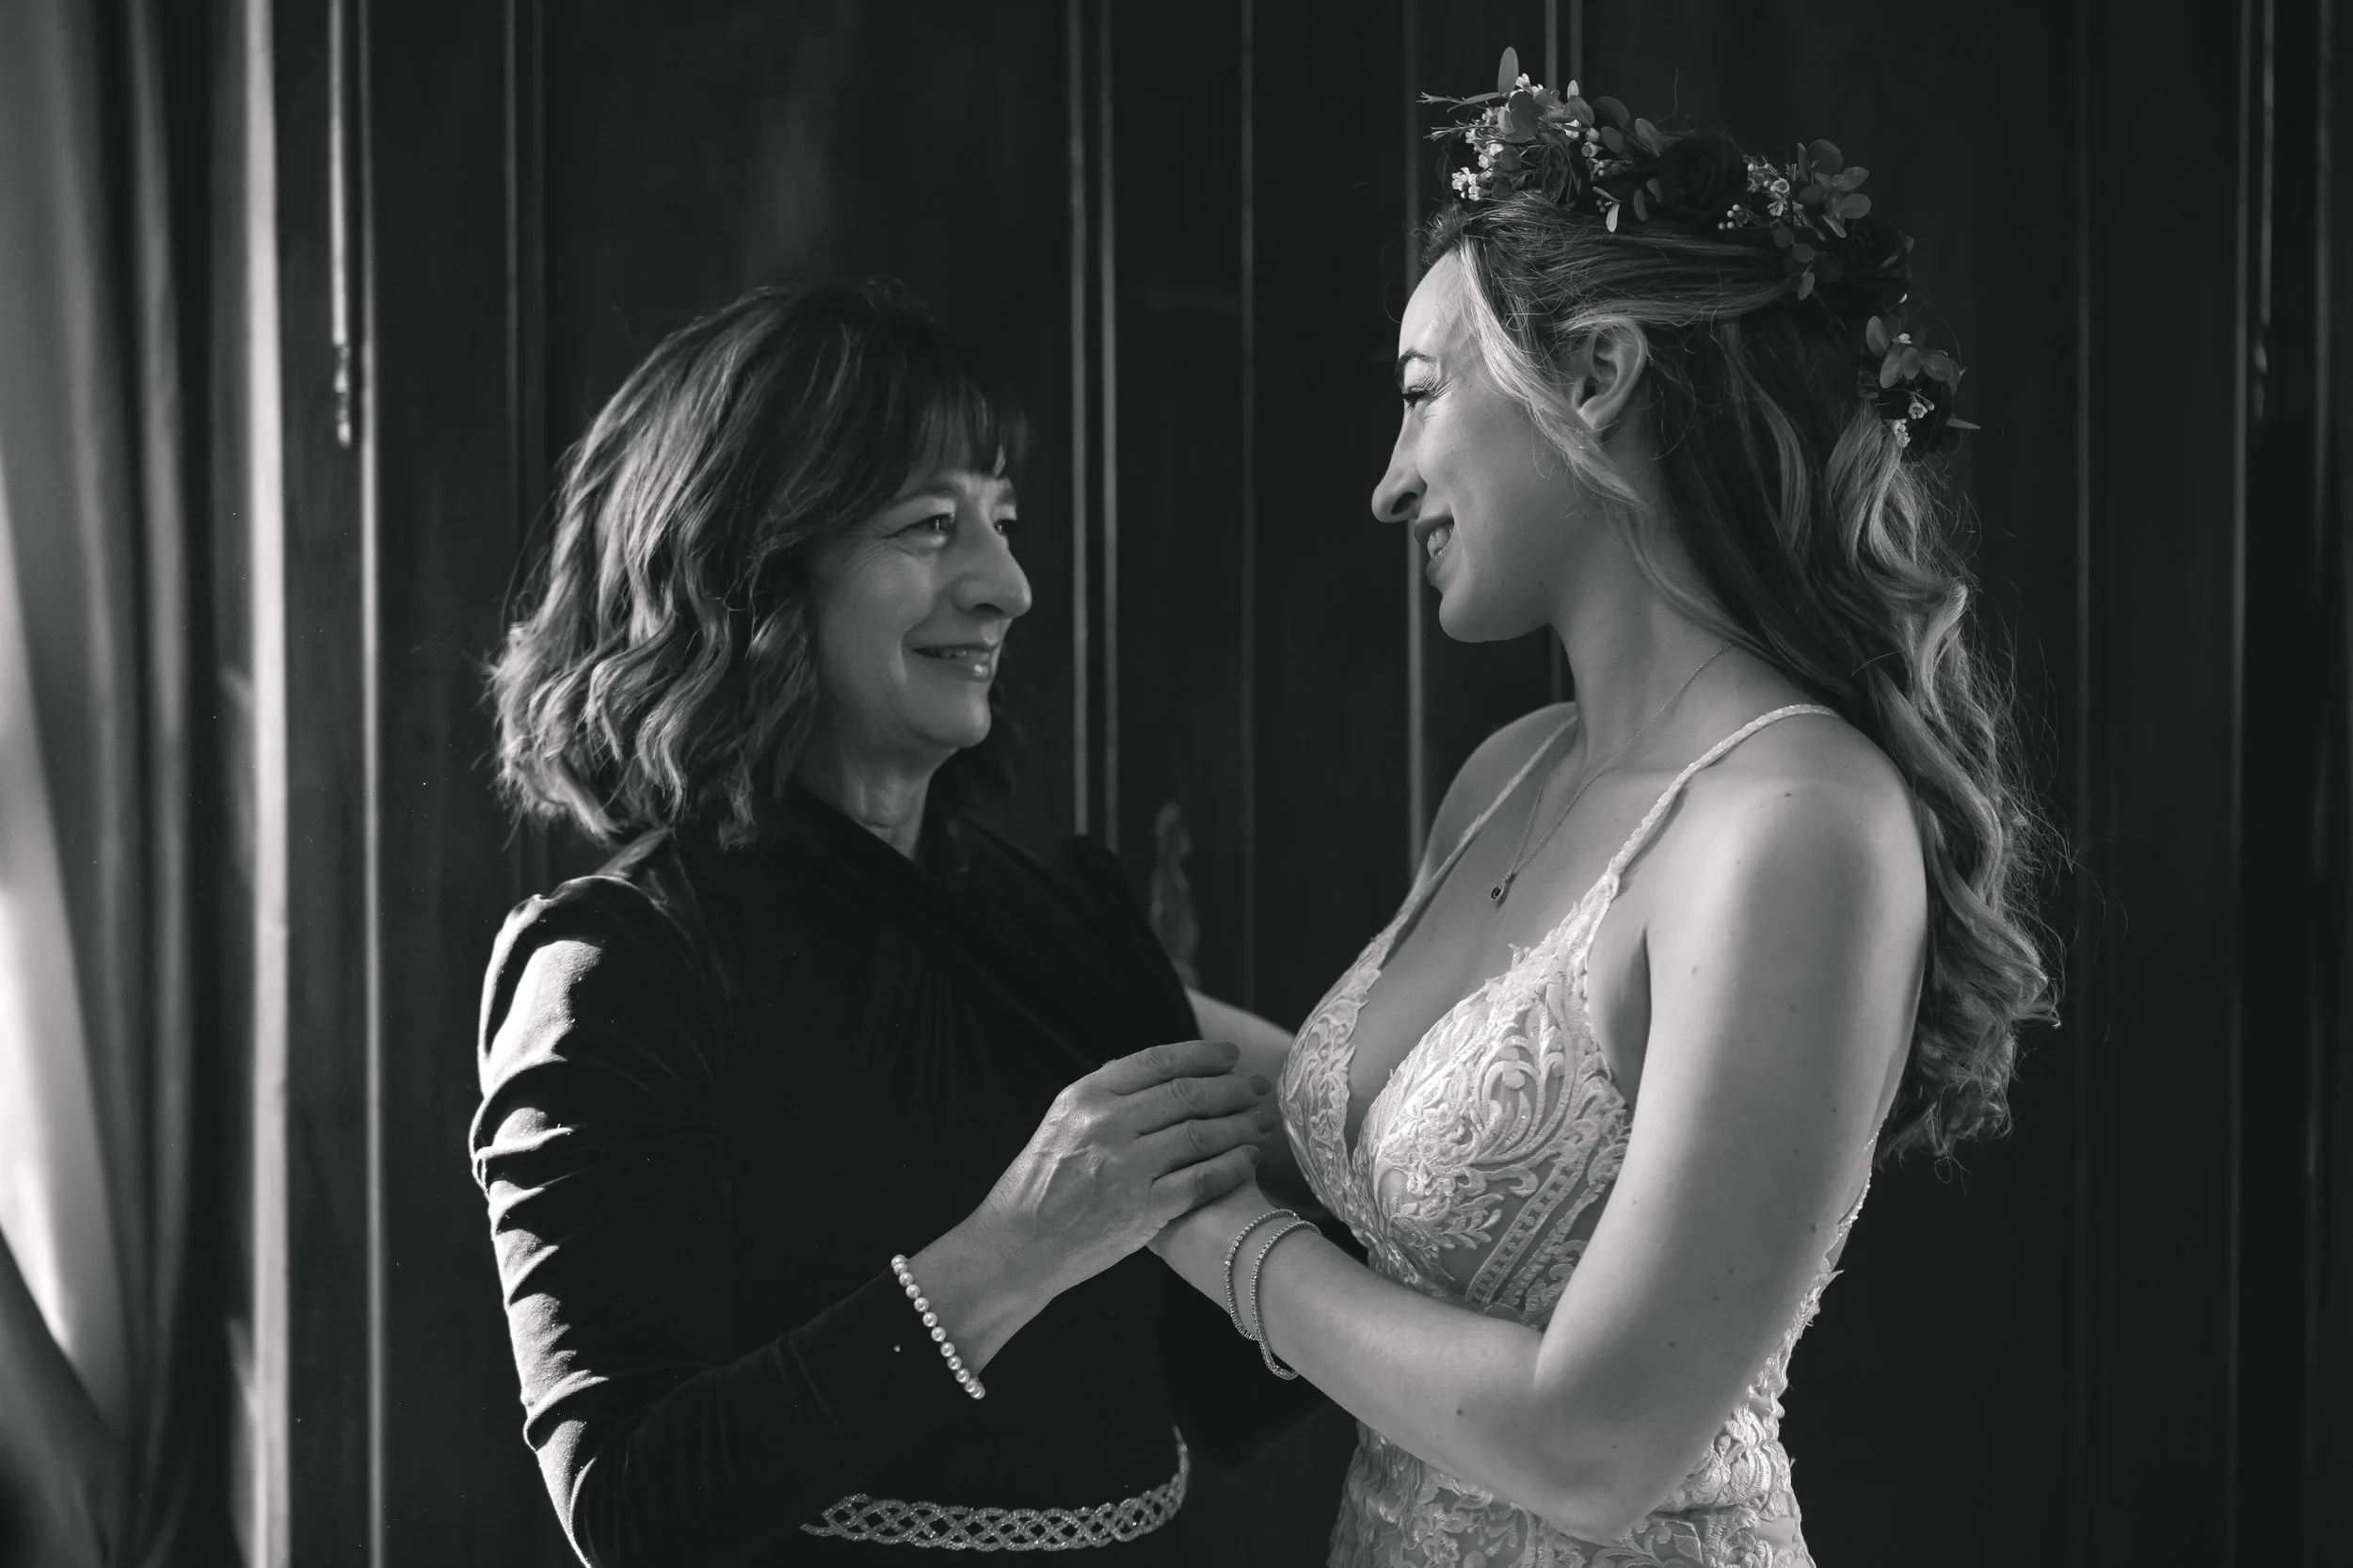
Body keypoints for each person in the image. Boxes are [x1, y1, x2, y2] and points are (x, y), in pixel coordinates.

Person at [1149, 60, 2055, 1567]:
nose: (1388, 486)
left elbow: (1593, 1442)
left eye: (1420, 398)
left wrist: (1204, 1232)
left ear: (1597, 374)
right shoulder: (1508, 770)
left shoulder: (1794, 822)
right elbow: (1427, 1137)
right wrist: (1055, 992)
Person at [470, 280, 1299, 1565]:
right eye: (930, 525)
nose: (1009, 585)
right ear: (754, 565)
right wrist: (1015, 1249)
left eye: (1004, 522)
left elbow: (1231, 1383)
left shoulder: (1071, 915)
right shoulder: (617, 965)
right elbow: (632, 1503)